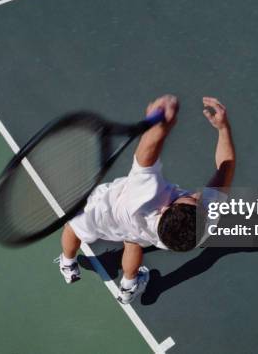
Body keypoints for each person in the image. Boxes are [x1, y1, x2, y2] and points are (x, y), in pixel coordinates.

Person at [55, 95, 236, 304]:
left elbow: (146, 155)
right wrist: (223, 129)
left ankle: (68, 264)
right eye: (196, 200)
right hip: (136, 229)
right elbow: (226, 167)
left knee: (73, 228)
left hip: (101, 210)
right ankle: (128, 287)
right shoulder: (198, 228)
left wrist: (160, 125)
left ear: (164, 209)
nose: (194, 196)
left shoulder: (145, 196)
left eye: (189, 199)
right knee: (133, 242)